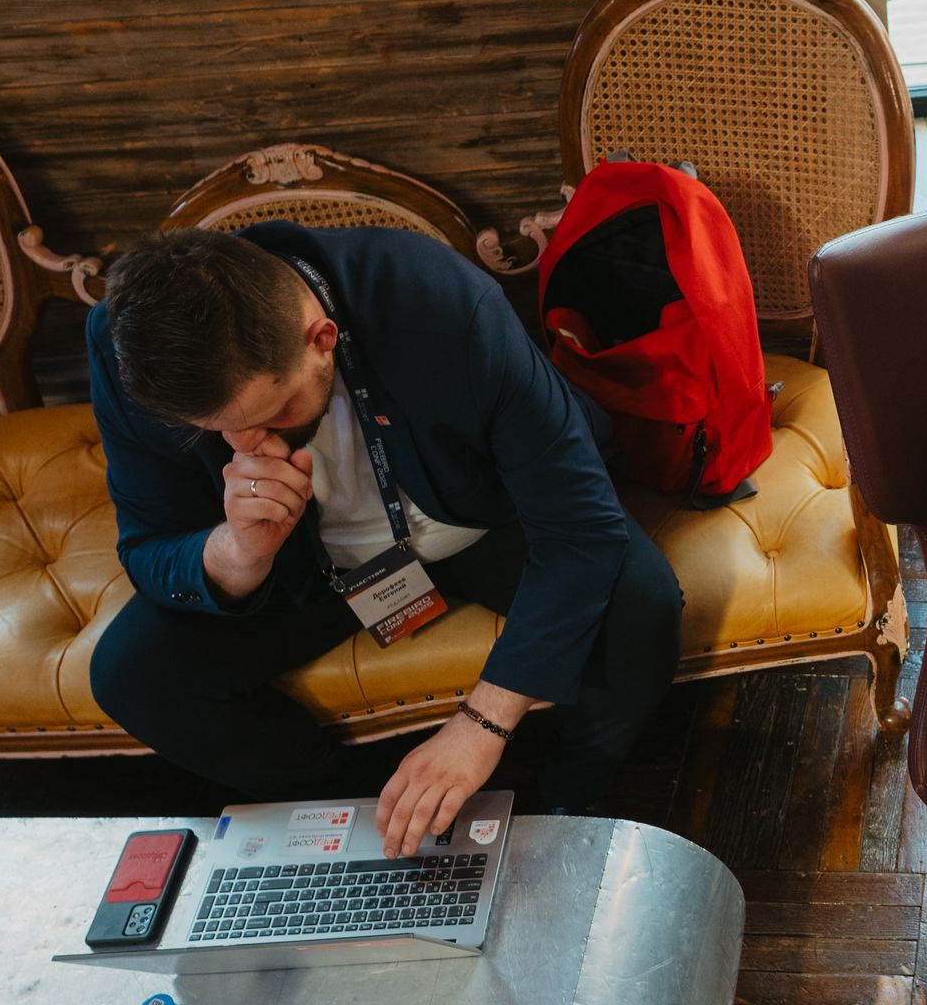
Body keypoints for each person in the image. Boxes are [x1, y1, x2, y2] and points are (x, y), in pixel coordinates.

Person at [85, 222, 683, 856]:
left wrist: (481, 725)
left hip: (479, 519)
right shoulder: (131, 347)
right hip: (305, 566)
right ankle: (369, 815)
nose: (246, 443)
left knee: (641, 604)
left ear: (322, 338)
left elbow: (580, 528)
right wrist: (239, 551)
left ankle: (565, 800)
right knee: (133, 676)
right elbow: (149, 545)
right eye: (214, 430)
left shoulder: (436, 296)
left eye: (273, 413)